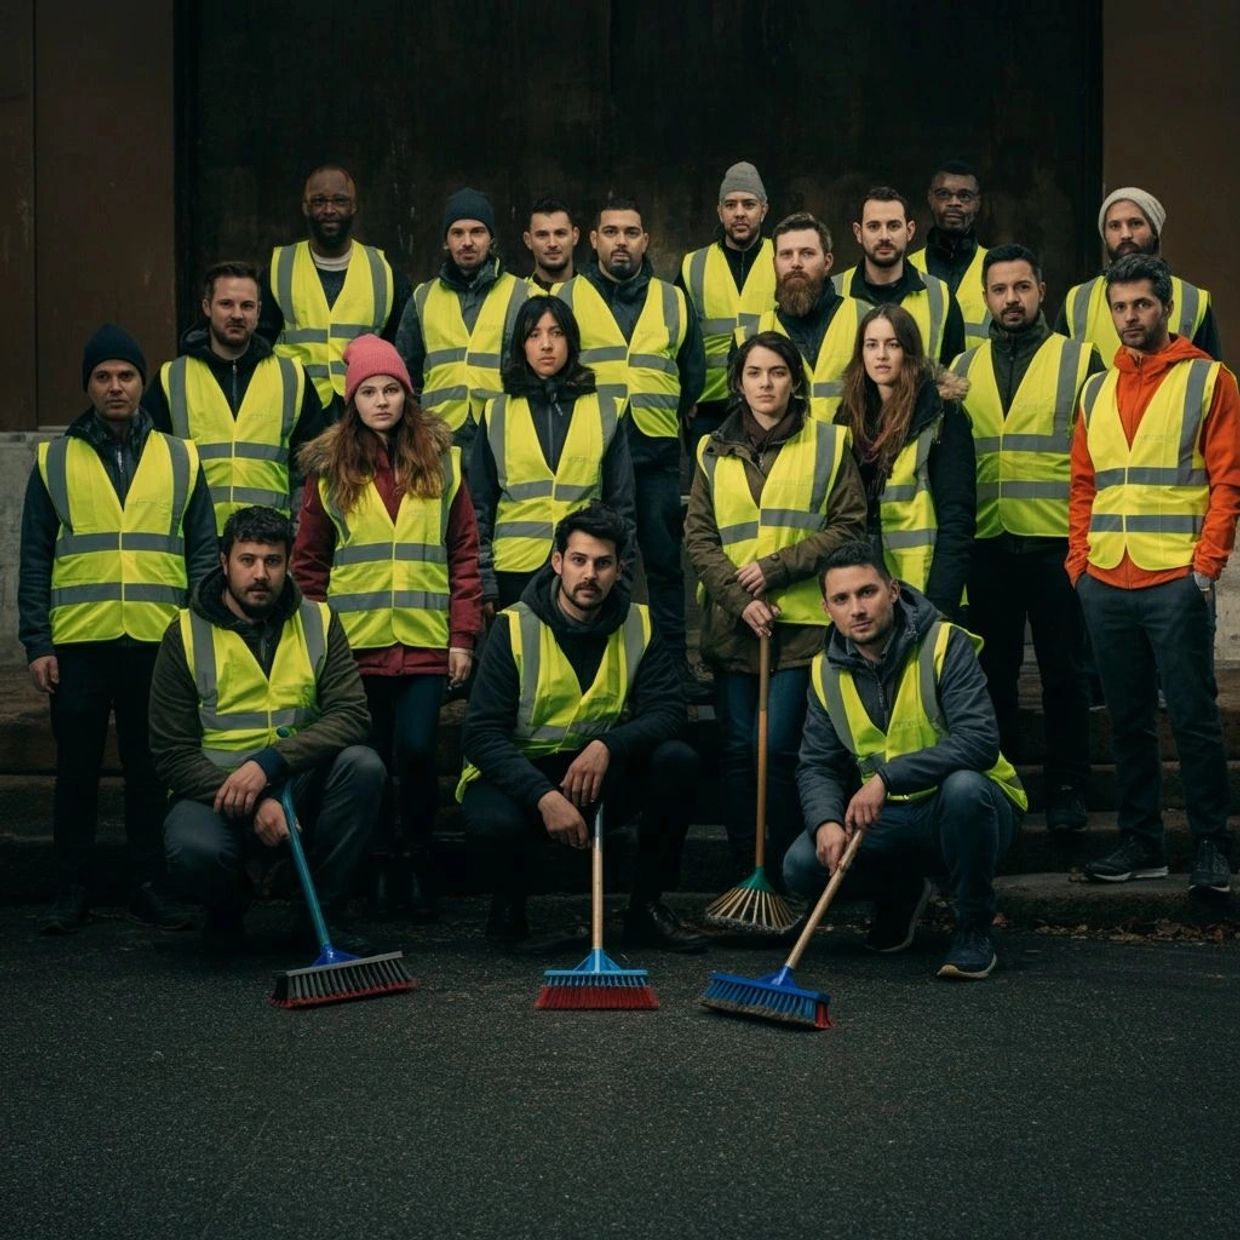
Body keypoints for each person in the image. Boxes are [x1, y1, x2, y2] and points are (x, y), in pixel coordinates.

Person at [19, 325, 218, 934]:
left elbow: (203, 554)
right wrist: (37, 642)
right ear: (88, 386)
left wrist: (198, 634)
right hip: (79, 643)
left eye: (125, 376)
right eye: (102, 377)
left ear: (141, 382)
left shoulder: (181, 456)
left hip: (157, 642)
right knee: (75, 771)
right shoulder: (55, 459)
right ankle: (70, 888)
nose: (115, 387)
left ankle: (147, 883)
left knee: (148, 769)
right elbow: (36, 557)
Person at [458, 503, 705, 952]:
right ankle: (508, 912)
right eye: (579, 560)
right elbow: (480, 735)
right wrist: (544, 796)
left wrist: (608, 745)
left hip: (596, 774)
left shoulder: (640, 624)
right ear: (557, 563)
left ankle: (645, 909)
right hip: (523, 777)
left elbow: (669, 710)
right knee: (492, 823)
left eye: (603, 563)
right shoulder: (513, 627)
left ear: (619, 569)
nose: (589, 574)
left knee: (678, 761)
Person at [293, 335, 482, 921]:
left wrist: (463, 636)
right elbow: (308, 565)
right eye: (369, 392)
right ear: (353, 402)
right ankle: (375, 863)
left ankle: (417, 858)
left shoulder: (441, 465)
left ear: (407, 395)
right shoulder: (329, 472)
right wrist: (317, 642)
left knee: (419, 752)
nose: (381, 401)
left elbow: (465, 554)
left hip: (425, 643)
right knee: (369, 758)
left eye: (391, 389)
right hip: (356, 648)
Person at [1069, 254, 1240, 892]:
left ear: (1165, 306)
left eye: (1142, 304)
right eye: (1120, 307)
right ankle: (1142, 843)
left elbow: (1228, 480)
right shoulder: (1095, 388)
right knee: (1128, 717)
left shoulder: (1209, 380)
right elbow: (1084, 484)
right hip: (1107, 580)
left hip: (1175, 579)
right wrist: (1078, 564)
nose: (1130, 317)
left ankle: (1211, 844)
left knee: (1193, 716)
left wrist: (1206, 566)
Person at [786, 542, 1027, 979]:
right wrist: (825, 821)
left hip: (967, 809)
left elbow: (978, 741)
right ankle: (901, 894)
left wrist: (885, 778)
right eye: (842, 599)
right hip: (891, 820)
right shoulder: (824, 669)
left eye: (867, 592)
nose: (856, 609)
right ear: (827, 608)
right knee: (801, 864)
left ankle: (973, 928)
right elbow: (816, 764)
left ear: (893, 590)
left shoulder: (943, 643)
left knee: (965, 789)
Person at [152, 506, 384, 953]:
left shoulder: (319, 621)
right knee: (191, 848)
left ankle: (321, 916)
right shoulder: (183, 633)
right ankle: (226, 910)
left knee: (364, 766)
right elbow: (171, 753)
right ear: (224, 562)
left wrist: (271, 765)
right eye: (248, 560)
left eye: (273, 561)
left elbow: (352, 714)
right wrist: (253, 798)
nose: (260, 574)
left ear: (288, 562)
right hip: (215, 790)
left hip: (300, 780)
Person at [685, 333, 866, 878]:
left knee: (781, 748)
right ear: (738, 383)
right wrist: (741, 599)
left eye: (778, 373)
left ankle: (786, 868)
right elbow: (699, 538)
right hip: (734, 626)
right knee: (740, 751)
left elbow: (849, 526)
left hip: (802, 626)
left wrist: (776, 567)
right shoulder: (711, 450)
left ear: (796, 379)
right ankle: (748, 871)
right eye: (755, 373)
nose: (766, 384)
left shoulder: (830, 443)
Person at [952, 244, 1102, 832]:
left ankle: (1068, 786)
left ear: (1042, 290)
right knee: (993, 674)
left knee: (1065, 673)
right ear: (985, 297)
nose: (1010, 299)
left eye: (1021, 287)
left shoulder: (1080, 359)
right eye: (999, 290)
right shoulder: (960, 369)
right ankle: (1000, 779)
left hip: (1056, 548)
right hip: (988, 547)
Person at [555, 196, 706, 698]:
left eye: (632, 232)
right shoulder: (568, 298)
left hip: (657, 452)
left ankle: (670, 668)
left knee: (664, 563)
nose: (622, 241)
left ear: (647, 240)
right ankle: (605, 667)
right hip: (592, 454)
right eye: (611, 231)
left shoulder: (674, 299)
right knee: (599, 563)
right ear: (593, 239)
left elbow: (693, 373)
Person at [472, 294, 636, 610]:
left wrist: (620, 579)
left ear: (571, 340)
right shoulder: (496, 413)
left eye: (556, 333)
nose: (546, 344)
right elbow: (480, 506)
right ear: (521, 345)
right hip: (514, 572)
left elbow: (622, 505)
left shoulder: (604, 410)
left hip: (584, 571)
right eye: (534, 334)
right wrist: (486, 583)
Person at [147, 261, 325, 532]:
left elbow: (311, 473)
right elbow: (151, 471)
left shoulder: (292, 378)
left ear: (259, 311)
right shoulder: (172, 379)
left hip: (269, 545)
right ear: (207, 307)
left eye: (247, 306)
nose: (237, 314)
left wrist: (297, 534)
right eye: (226, 304)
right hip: (198, 543)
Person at [836, 304, 975, 619]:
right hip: (865, 588)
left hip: (925, 587)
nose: (881, 355)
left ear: (909, 352)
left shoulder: (942, 415)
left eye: (893, 344)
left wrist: (942, 602)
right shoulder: (848, 416)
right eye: (871, 345)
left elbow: (957, 519)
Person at [260, 165, 410, 419]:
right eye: (319, 201)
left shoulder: (384, 273)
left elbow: (402, 348)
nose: (329, 210)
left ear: (354, 207)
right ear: (305, 207)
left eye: (339, 201)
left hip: (362, 412)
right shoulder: (277, 269)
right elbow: (258, 343)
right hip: (293, 408)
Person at [396, 187, 530, 459]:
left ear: (491, 239)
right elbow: (404, 375)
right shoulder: (422, 298)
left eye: (477, 232)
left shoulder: (521, 295)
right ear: (446, 241)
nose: (467, 242)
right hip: (436, 443)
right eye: (457, 233)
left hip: (502, 440)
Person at [1058, 187, 1220, 366]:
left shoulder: (1193, 299)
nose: (1125, 234)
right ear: (1104, 235)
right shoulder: (1077, 299)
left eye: (1135, 223)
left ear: (1154, 231)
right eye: (1115, 226)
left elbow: (1209, 379)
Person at [732, 211, 866, 423]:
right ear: (775, 263)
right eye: (786, 255)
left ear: (828, 261)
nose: (796, 263)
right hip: (782, 455)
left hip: (852, 454)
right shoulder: (747, 338)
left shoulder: (867, 321)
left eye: (807, 253)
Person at [678, 161, 776, 450]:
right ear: (719, 212)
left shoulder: (783, 257)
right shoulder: (693, 264)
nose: (740, 213)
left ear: (764, 210)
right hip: (707, 407)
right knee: (708, 490)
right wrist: (685, 395)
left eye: (749, 204)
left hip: (768, 402)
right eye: (730, 205)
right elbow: (676, 335)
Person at [833, 187, 965, 366]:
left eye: (893, 226)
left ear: (910, 231)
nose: (884, 236)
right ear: (858, 233)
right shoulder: (832, 293)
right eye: (874, 226)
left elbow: (954, 377)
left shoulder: (940, 298)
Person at [909, 160, 990, 349]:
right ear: (930, 198)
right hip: (921, 378)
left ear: (978, 203)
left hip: (977, 377)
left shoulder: (998, 269)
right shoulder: (906, 269)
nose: (954, 203)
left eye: (964, 196)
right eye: (944, 194)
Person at [523, 197, 579, 290]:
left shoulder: (597, 294)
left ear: (575, 236)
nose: (552, 244)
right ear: (528, 240)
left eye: (560, 233)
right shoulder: (515, 298)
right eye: (542, 235)